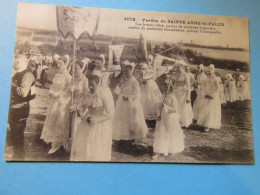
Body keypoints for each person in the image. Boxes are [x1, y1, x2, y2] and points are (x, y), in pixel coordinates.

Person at [70, 74, 115, 161]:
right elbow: (82, 107)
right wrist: (79, 112)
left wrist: (96, 120)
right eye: (89, 85)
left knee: (96, 147)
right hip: (88, 120)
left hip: (100, 123)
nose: (90, 87)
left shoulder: (103, 95)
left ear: (98, 84)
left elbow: (110, 114)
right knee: (85, 144)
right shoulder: (88, 94)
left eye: (92, 85)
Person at [5, 54, 36, 160]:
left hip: (20, 110)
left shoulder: (27, 75)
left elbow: (23, 93)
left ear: (24, 63)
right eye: (14, 61)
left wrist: (10, 84)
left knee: (17, 137)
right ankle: (16, 157)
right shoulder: (16, 73)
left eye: (17, 62)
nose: (14, 63)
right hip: (13, 108)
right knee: (12, 136)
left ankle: (18, 160)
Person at [40, 59, 72, 154]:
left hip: (62, 101)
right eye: (58, 64)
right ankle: (54, 140)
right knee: (52, 119)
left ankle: (58, 142)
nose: (59, 65)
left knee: (59, 121)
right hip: (54, 100)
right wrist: (51, 91)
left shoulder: (68, 77)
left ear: (65, 64)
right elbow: (53, 86)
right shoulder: (58, 74)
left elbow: (69, 91)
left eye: (61, 64)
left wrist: (58, 94)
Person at [112, 62, 148, 141]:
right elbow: (117, 92)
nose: (126, 73)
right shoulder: (123, 80)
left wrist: (128, 97)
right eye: (125, 71)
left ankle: (131, 137)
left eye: (128, 71)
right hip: (122, 102)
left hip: (131, 102)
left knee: (132, 119)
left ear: (131, 71)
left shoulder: (135, 82)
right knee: (121, 119)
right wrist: (120, 84)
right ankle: (122, 136)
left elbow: (138, 95)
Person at [152, 80, 185, 159]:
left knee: (169, 132)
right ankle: (158, 150)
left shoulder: (173, 97)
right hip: (162, 116)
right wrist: (158, 113)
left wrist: (166, 107)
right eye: (163, 87)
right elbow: (158, 106)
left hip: (170, 118)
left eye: (166, 87)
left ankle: (170, 148)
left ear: (170, 88)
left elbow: (174, 110)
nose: (165, 89)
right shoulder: (162, 96)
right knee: (160, 132)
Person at [197, 64, 221, 132]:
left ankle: (209, 125)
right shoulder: (206, 79)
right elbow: (203, 87)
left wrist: (212, 95)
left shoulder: (216, 79)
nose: (209, 73)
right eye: (208, 72)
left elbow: (218, 89)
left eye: (210, 71)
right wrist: (205, 94)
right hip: (206, 95)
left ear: (213, 72)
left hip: (213, 97)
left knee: (211, 110)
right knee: (205, 109)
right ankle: (205, 124)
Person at [70, 61, 89, 139]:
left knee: (76, 124)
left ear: (82, 68)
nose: (74, 70)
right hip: (71, 101)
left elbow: (86, 93)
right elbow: (69, 93)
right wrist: (70, 90)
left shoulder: (84, 79)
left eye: (76, 68)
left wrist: (78, 105)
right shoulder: (73, 78)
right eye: (73, 68)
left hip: (79, 103)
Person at [171, 61, 193, 128]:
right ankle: (176, 120)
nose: (178, 68)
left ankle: (182, 121)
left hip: (183, 93)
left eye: (179, 67)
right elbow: (173, 83)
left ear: (183, 67)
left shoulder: (186, 75)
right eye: (177, 67)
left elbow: (188, 86)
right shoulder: (176, 74)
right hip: (176, 91)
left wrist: (188, 97)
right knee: (176, 105)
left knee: (182, 107)